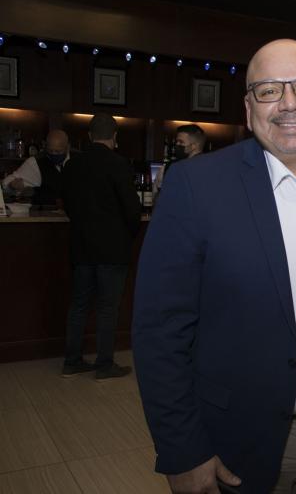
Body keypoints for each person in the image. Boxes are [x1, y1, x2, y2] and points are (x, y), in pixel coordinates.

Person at [133, 39, 296, 494]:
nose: (290, 103)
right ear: (249, 108)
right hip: (239, 438)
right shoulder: (197, 187)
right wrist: (182, 449)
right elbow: (160, 330)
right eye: (270, 90)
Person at [61, 113, 141, 380]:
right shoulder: (118, 164)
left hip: (81, 245)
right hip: (112, 247)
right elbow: (132, 210)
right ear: (115, 137)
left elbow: (69, 206)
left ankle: (72, 361)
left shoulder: (72, 166)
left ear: (89, 136)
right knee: (108, 307)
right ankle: (104, 364)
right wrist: (130, 233)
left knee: (79, 304)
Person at [2, 129, 73, 208]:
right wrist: (12, 186)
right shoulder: (36, 162)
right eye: (50, 151)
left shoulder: (80, 161)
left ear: (68, 147)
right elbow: (5, 185)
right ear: (45, 146)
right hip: (48, 215)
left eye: (58, 151)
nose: (54, 154)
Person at [155, 124, 207, 193]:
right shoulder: (168, 167)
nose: (177, 144)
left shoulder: (172, 168)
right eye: (177, 142)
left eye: (181, 142)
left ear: (194, 146)